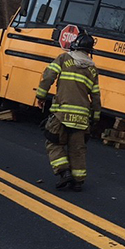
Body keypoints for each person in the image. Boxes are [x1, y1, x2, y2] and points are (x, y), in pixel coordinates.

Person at [35, 30, 101, 192]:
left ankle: (64, 173)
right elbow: (96, 96)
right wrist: (95, 117)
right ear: (89, 51)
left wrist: (41, 96)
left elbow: (48, 76)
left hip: (61, 114)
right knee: (77, 149)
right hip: (82, 117)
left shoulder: (64, 59)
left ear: (75, 45)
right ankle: (78, 181)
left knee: (53, 142)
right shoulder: (93, 70)